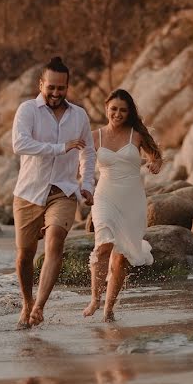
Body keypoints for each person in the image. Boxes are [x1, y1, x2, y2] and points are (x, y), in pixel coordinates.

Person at [11, 57, 95, 328]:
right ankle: (26, 302)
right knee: (25, 255)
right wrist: (60, 147)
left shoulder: (79, 115)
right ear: (41, 84)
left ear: (68, 86)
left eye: (61, 88)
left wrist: (87, 184)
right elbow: (20, 144)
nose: (56, 93)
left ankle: (38, 307)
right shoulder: (27, 110)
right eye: (51, 87)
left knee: (56, 240)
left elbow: (88, 152)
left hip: (64, 190)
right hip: (28, 191)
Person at [83, 89, 163, 322]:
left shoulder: (136, 135)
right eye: (114, 108)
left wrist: (155, 163)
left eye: (123, 110)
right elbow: (82, 162)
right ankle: (94, 299)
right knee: (103, 245)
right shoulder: (94, 136)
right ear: (106, 107)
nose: (117, 114)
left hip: (132, 199)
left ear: (129, 113)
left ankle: (109, 309)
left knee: (121, 256)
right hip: (105, 196)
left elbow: (155, 156)